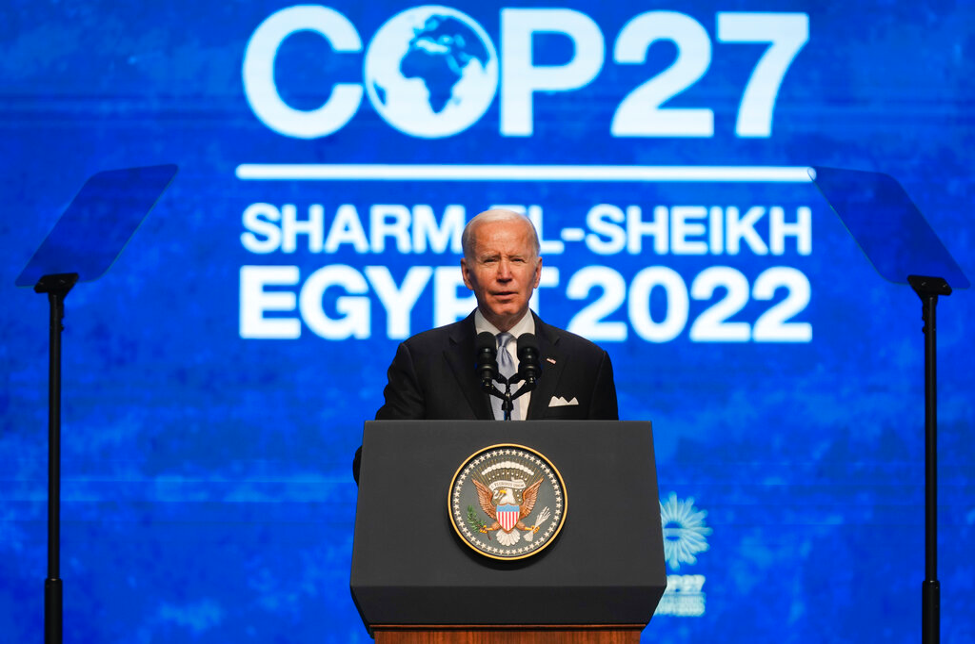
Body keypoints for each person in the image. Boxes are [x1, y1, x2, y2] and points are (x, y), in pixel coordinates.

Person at [375, 208, 618, 421]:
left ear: (537, 273)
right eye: (490, 260)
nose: (504, 274)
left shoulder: (586, 362)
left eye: (517, 260)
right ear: (467, 274)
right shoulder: (421, 358)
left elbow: (613, 462)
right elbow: (378, 460)